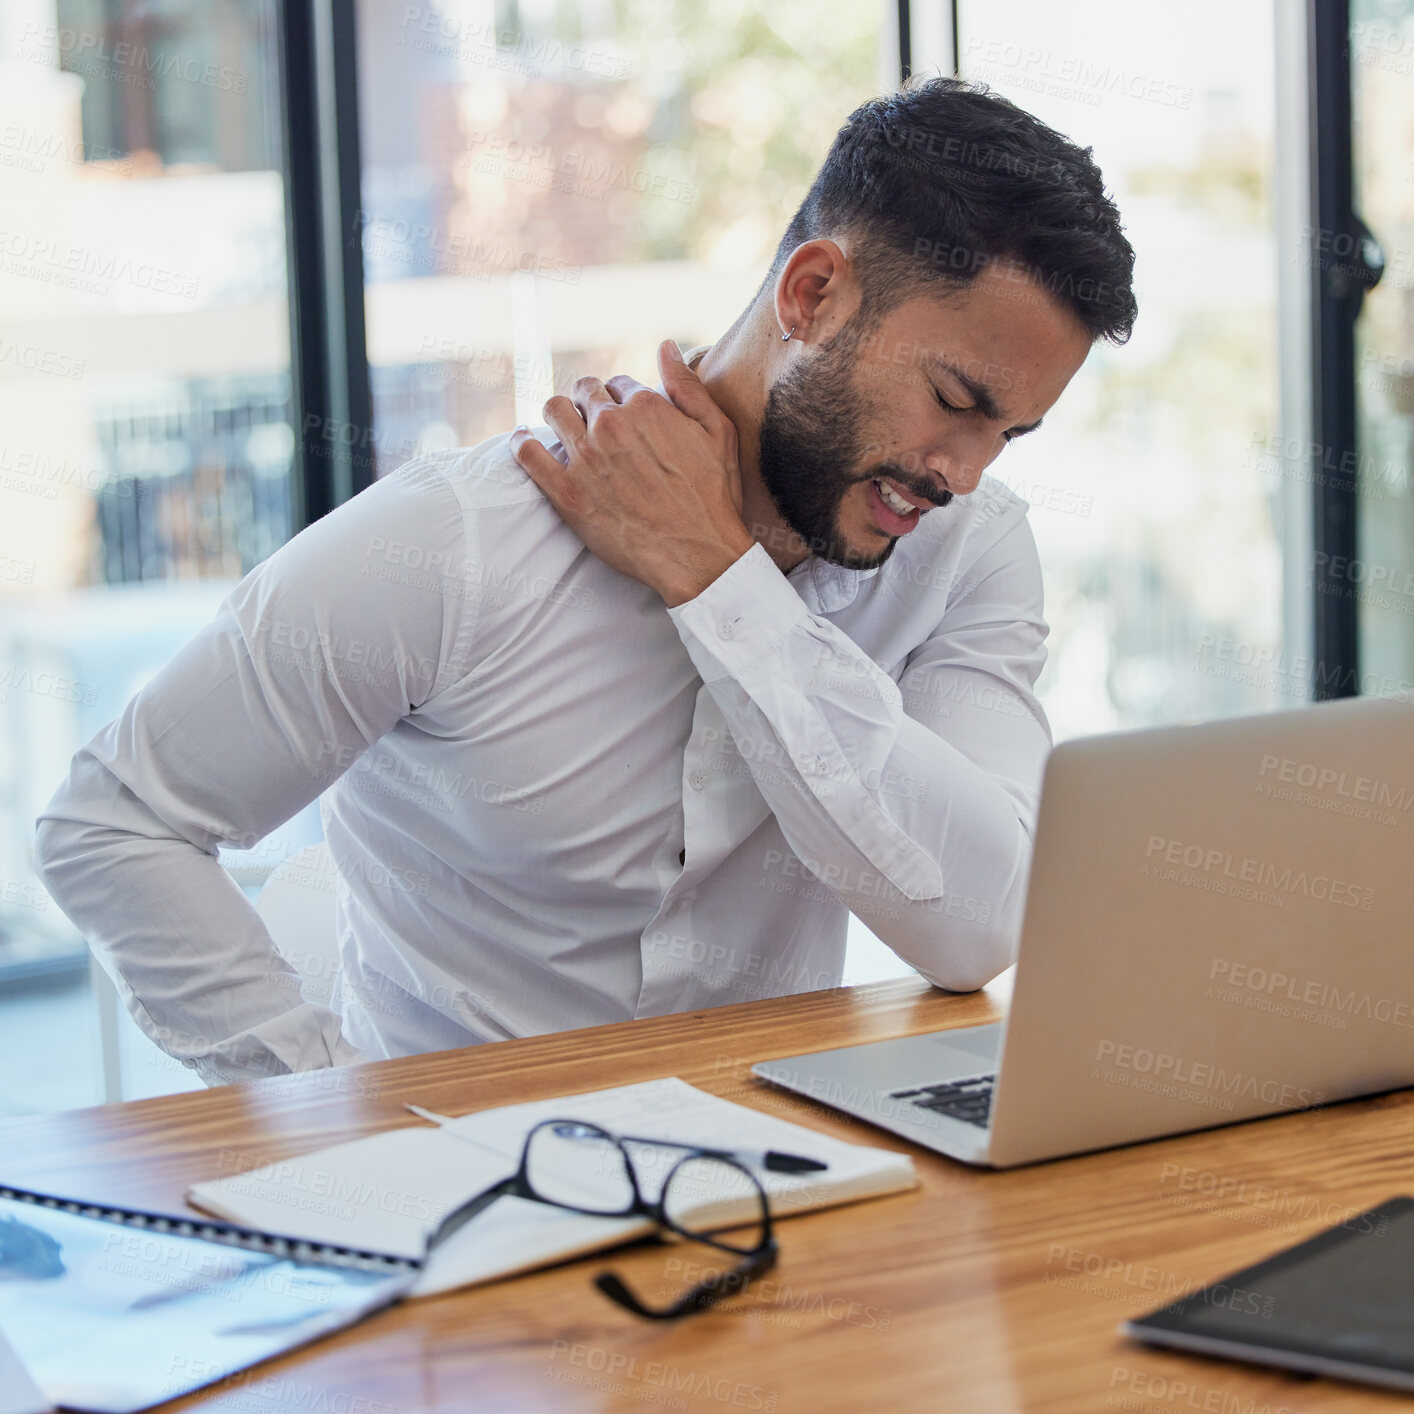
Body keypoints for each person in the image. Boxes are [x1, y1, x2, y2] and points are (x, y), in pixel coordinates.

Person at [34, 77, 1136, 1086]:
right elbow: (113, 821)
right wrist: (327, 1108)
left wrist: (720, 582)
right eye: (954, 399)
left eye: (1011, 432)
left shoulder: (967, 550)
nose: (965, 472)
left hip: (782, 1184)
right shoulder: (457, 543)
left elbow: (979, 922)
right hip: (458, 1196)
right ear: (812, 294)